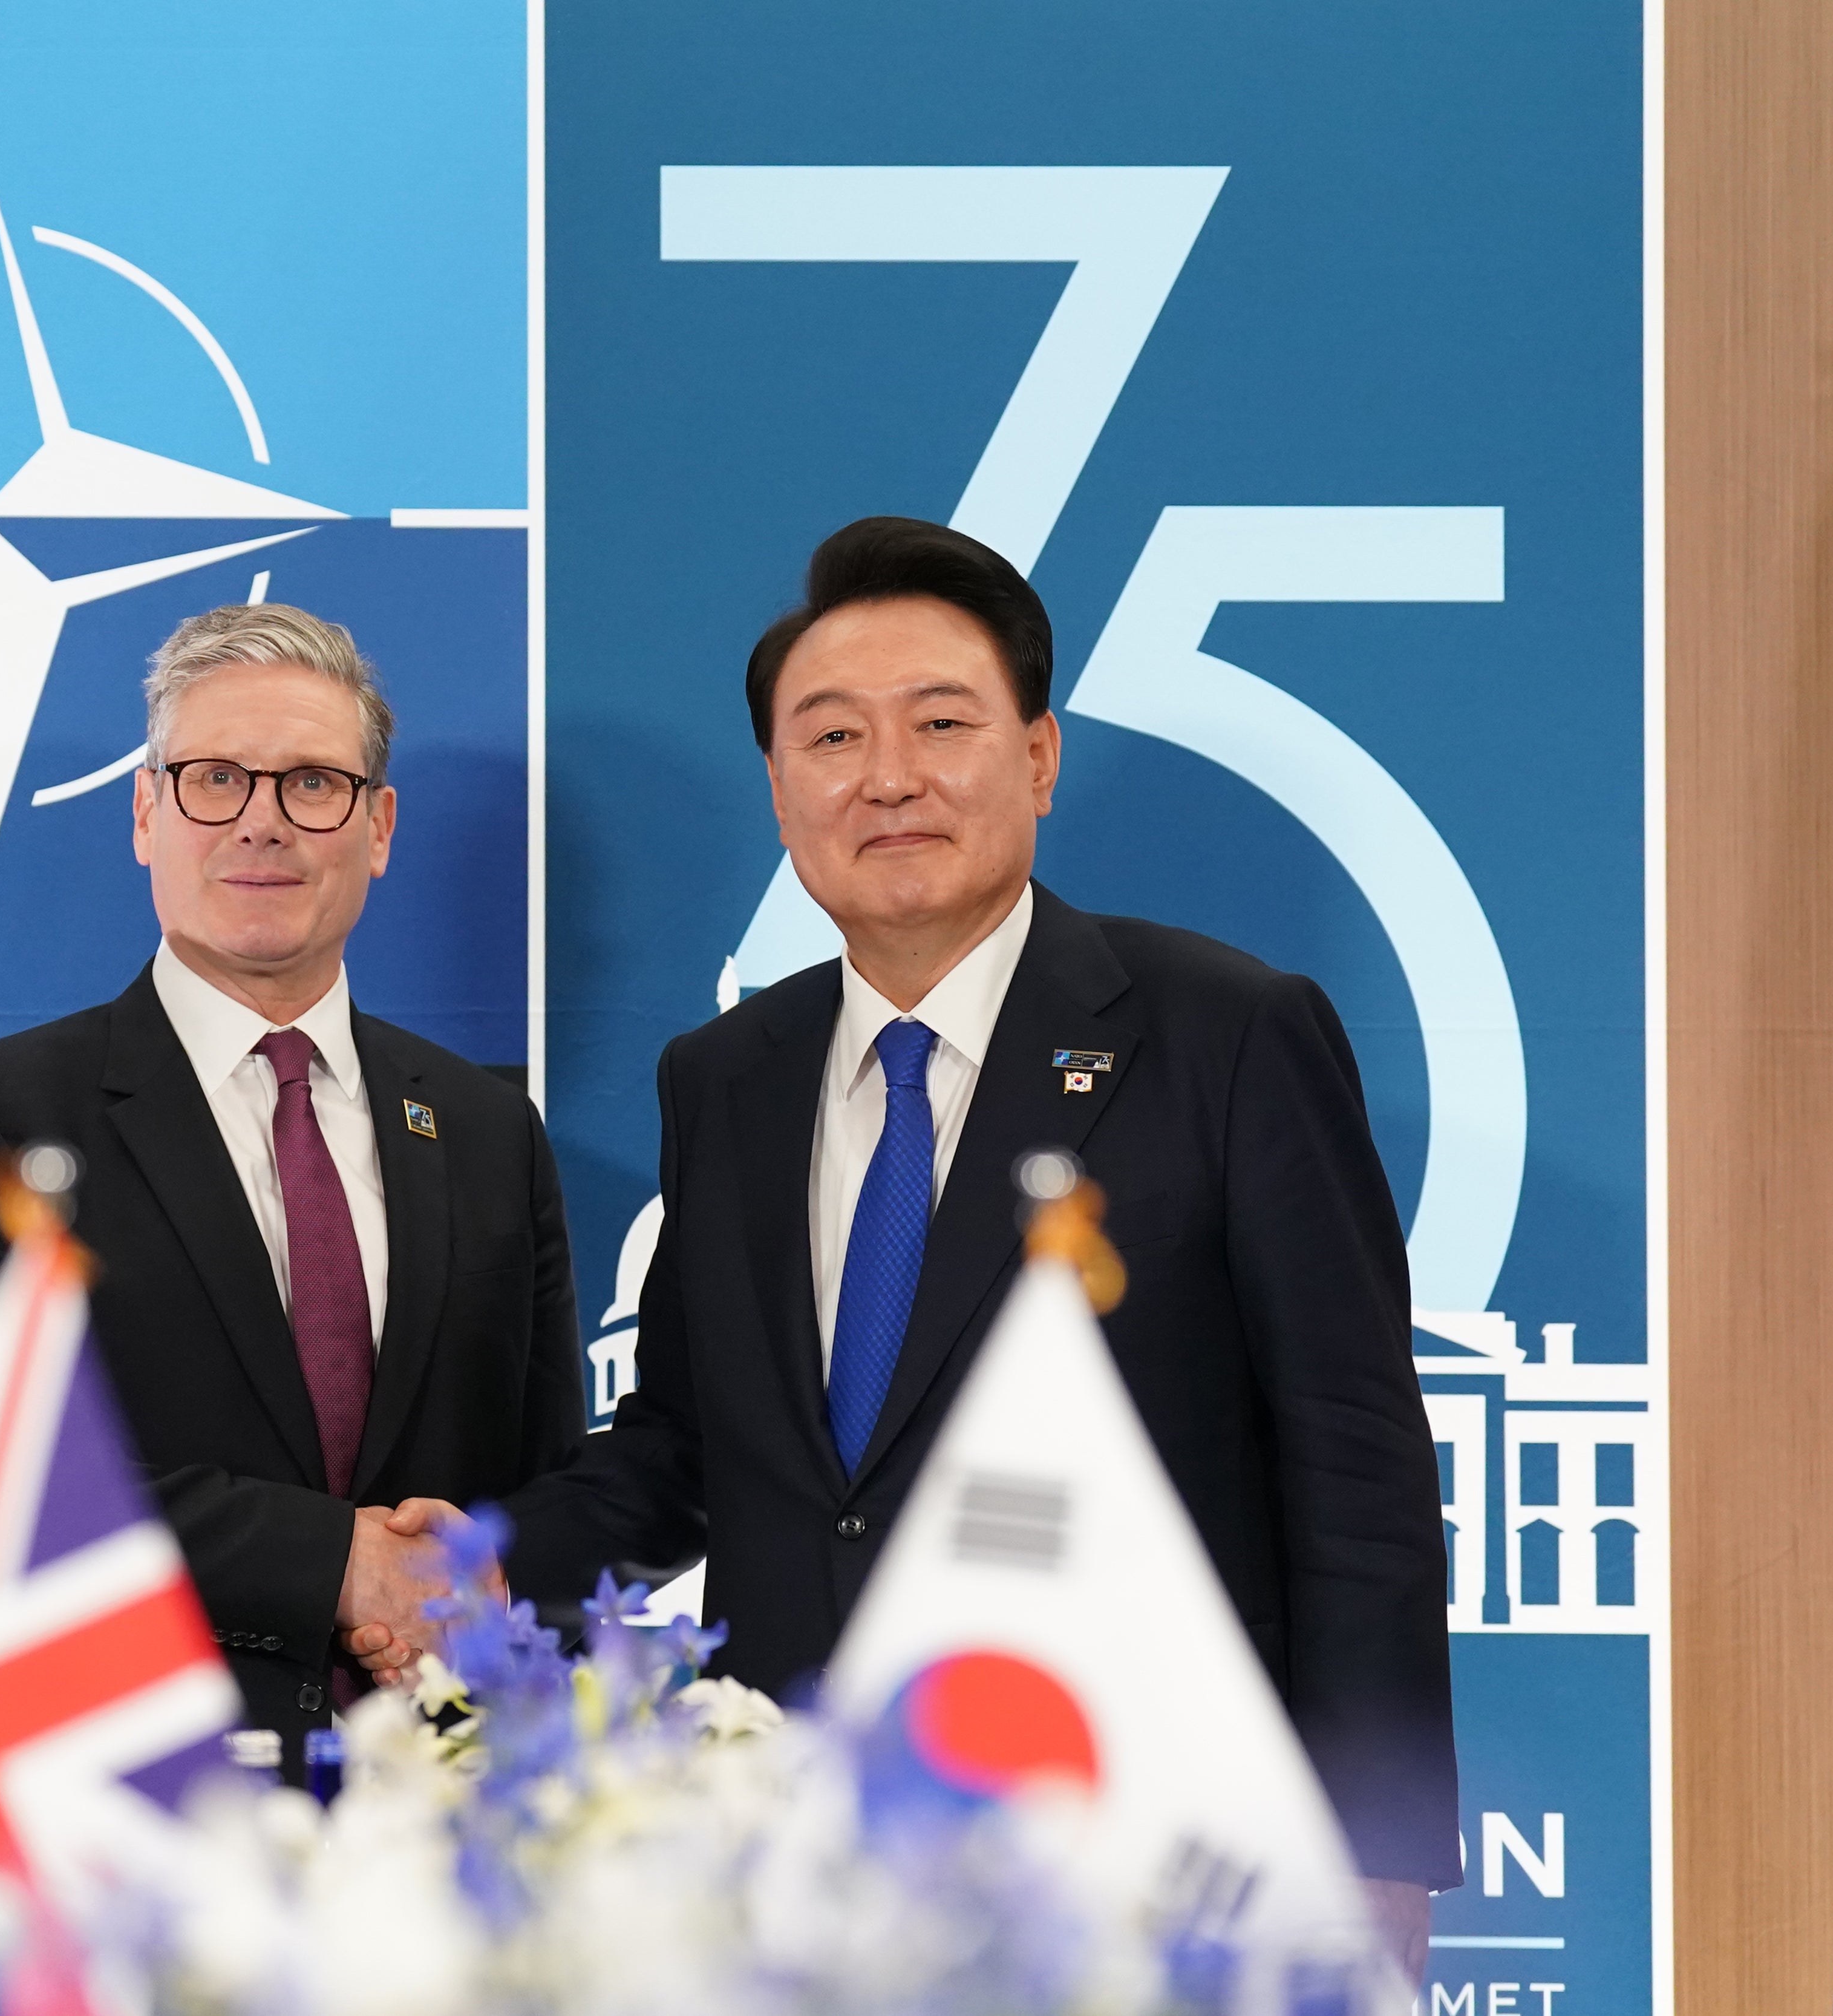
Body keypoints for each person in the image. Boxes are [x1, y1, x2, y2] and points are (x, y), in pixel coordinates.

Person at [450, 517, 1460, 1959]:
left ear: (1037, 758)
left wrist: (1373, 1850)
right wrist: (480, 1568)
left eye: (940, 723)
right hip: (802, 1857)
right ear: (781, 787)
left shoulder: (1225, 1033)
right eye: (832, 736)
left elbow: (1351, 1460)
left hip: (1144, 1850)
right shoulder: (725, 1076)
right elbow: (685, 1443)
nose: (889, 777)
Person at [0, 603, 584, 1743]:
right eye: (214, 780)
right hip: (133, 1806)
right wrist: (340, 1565)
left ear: (380, 825)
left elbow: (547, 1490)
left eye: (312, 783)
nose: (263, 824)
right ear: (148, 813)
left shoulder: (486, 1130)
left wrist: (469, 1586)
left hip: (445, 1821)